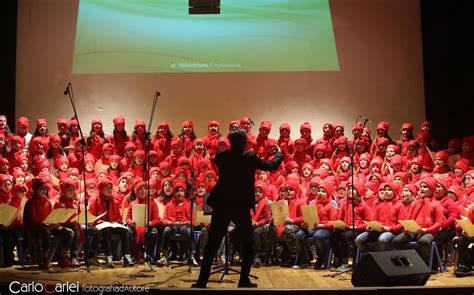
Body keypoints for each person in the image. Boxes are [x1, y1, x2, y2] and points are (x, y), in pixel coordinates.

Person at [192, 129, 283, 288]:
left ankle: (202, 281)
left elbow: (222, 157)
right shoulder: (249, 157)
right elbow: (272, 165)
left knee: (212, 242)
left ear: (230, 142)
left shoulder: (221, 157)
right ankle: (243, 280)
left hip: (222, 204)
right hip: (240, 205)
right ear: (244, 143)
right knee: (248, 244)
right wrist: (279, 154)